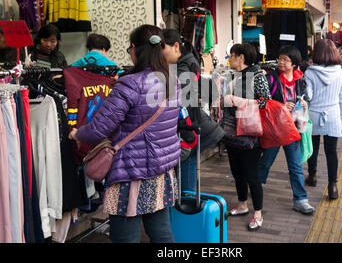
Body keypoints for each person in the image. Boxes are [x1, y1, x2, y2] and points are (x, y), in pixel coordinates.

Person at [69, 24, 181, 243]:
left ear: (134, 49)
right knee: (161, 232)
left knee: (125, 237)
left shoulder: (129, 85)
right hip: (161, 171)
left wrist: (77, 134)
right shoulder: (173, 81)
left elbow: (99, 129)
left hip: (130, 173)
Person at [162, 29, 224, 192]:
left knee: (186, 188)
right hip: (194, 129)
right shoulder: (183, 62)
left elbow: (174, 89)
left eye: (162, 48)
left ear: (176, 46)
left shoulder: (186, 65)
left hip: (194, 132)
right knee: (183, 183)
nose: (159, 54)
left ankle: (187, 214)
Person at [259, 45, 315, 215]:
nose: (281, 62)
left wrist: (305, 104)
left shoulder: (301, 80)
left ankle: (300, 200)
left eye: (285, 60)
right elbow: (263, 101)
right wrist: (282, 106)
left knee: (295, 166)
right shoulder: (270, 78)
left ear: (294, 63)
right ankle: (256, 186)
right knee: (265, 162)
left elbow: (307, 99)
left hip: (293, 129)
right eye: (280, 58)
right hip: (275, 128)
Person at [222, 43, 271, 232]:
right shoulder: (233, 77)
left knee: (252, 175)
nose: (229, 59)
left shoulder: (257, 76)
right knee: (237, 173)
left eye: (231, 56)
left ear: (241, 57)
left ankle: (257, 214)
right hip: (232, 133)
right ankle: (243, 205)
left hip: (250, 136)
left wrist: (238, 101)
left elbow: (265, 101)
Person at [304, 39, 342, 200]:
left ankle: (312, 176)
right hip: (333, 114)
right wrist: (340, 117)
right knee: (331, 151)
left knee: (312, 148)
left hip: (314, 114)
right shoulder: (339, 72)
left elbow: (309, 96)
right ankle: (332, 185)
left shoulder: (310, 72)